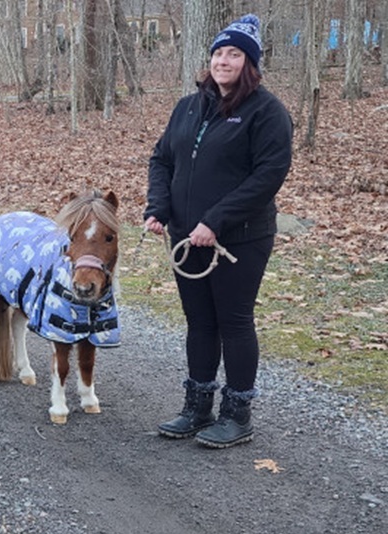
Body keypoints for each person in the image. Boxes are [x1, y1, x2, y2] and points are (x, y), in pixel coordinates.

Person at [144, 15, 293, 448]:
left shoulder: (267, 112)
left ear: (249, 63)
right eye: (218, 53)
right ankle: (197, 407)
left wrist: (215, 220)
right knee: (199, 323)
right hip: (186, 237)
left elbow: (268, 176)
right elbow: (162, 159)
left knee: (234, 322)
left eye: (233, 54)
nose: (222, 61)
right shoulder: (189, 107)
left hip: (239, 239)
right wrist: (159, 208)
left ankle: (237, 414)